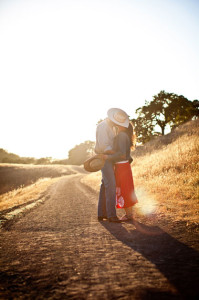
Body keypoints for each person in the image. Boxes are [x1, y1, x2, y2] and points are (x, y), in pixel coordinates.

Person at [95, 108, 129, 223]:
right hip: (105, 158)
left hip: (108, 158)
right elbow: (106, 148)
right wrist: (119, 153)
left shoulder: (109, 127)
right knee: (111, 185)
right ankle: (111, 215)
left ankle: (102, 213)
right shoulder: (103, 126)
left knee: (105, 184)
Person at [105, 121, 138, 221]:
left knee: (125, 189)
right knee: (126, 189)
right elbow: (122, 152)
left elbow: (122, 154)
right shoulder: (123, 135)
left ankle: (129, 215)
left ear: (123, 126)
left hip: (122, 166)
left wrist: (108, 157)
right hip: (123, 166)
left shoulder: (121, 135)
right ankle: (129, 214)